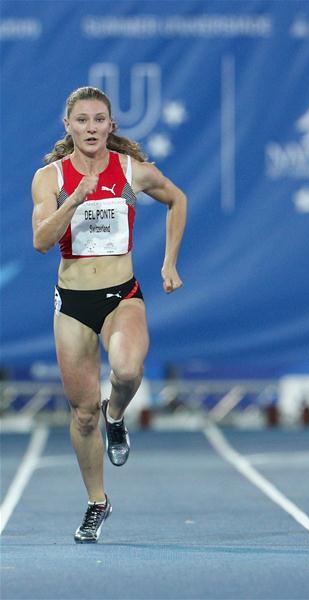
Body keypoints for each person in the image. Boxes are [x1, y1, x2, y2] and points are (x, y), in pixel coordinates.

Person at [31, 86, 187, 542]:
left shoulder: (132, 171)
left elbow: (178, 200)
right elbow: (41, 241)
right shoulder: (50, 179)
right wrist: (74, 200)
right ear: (69, 127)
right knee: (81, 414)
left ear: (111, 126)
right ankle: (97, 502)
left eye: (99, 119)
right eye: (82, 120)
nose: (91, 128)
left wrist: (170, 262)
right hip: (73, 304)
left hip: (122, 295)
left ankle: (115, 415)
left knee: (127, 369)